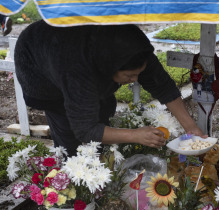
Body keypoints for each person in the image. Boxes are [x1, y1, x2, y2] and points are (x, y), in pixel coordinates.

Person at [14, 20, 204, 156]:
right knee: (71, 141)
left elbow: (163, 86)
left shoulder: (133, 50)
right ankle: (74, 187)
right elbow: (85, 130)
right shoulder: (76, 70)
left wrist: (191, 127)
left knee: (101, 112)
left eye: (138, 73)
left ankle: (102, 158)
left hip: (83, 52)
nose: (134, 80)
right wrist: (135, 135)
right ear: (109, 68)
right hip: (39, 66)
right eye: (130, 76)